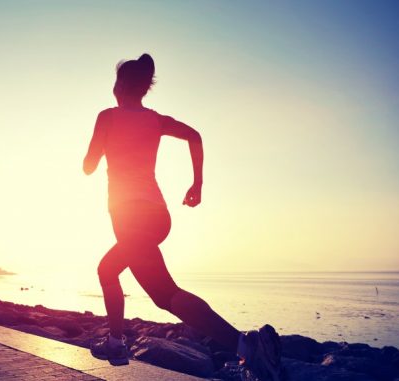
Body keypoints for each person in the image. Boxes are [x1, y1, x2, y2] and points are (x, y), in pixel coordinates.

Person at [83, 53, 281, 380]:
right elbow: (195, 136)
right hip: (156, 215)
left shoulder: (107, 117)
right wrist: (197, 184)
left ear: (120, 86)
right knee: (134, 282)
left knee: (146, 287)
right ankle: (118, 342)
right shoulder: (156, 120)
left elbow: (88, 166)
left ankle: (247, 345)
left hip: (131, 218)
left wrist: (100, 151)